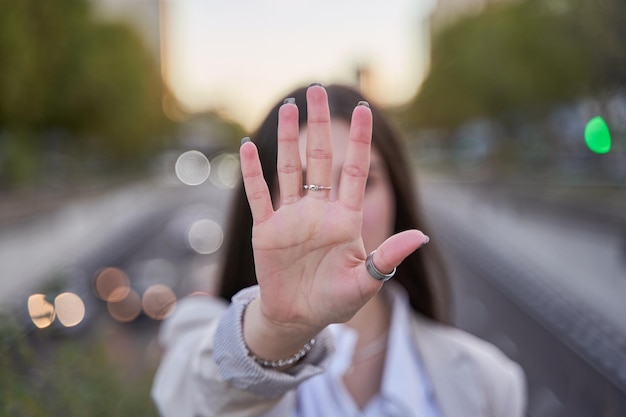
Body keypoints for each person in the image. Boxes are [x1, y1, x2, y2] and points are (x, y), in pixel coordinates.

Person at [152, 83, 526, 417]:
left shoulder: (489, 381)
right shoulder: (197, 329)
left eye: (363, 181)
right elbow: (193, 397)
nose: (333, 214)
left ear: (398, 195)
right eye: (300, 185)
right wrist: (278, 331)